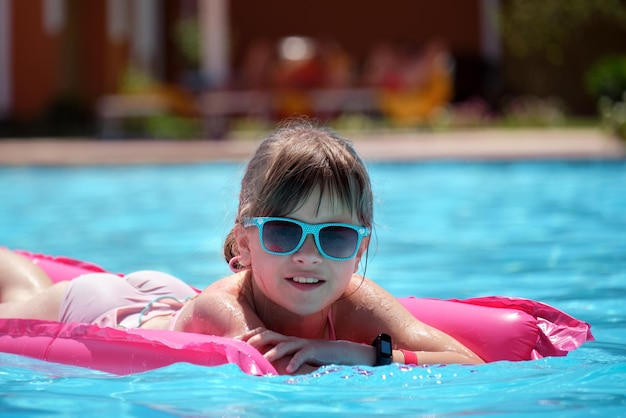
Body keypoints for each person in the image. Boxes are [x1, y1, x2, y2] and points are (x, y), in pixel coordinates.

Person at [0, 120, 483, 374]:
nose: (309, 255)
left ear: (358, 250)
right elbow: (281, 383)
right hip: (107, 308)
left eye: (335, 236)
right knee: (15, 297)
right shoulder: (221, 312)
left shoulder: (355, 298)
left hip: (167, 295)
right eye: (283, 232)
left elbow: (469, 364)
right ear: (245, 241)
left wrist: (350, 352)